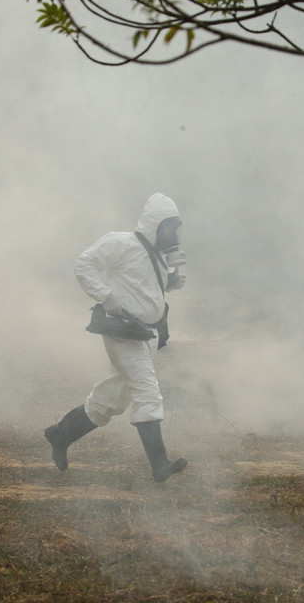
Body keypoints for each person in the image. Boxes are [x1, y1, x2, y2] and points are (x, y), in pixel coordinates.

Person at [44, 193, 188, 483]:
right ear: (155, 225)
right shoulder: (121, 242)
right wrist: (106, 297)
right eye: (170, 228)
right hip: (124, 334)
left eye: (176, 228)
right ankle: (159, 464)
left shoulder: (156, 256)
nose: (174, 235)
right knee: (147, 390)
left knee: (112, 398)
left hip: (146, 334)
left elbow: (143, 288)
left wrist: (168, 282)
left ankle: (61, 434)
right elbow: (83, 264)